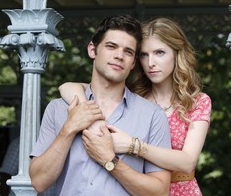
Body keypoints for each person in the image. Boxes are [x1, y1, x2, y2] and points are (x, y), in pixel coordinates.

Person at [59, 17, 212, 196]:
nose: (150, 63)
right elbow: (67, 87)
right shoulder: (133, 96)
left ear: (177, 54)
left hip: (182, 190)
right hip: (137, 188)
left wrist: (133, 146)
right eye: (144, 55)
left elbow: (187, 162)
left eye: (160, 53)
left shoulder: (196, 101)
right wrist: (88, 114)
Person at [29, 15, 172, 196]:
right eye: (111, 46)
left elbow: (159, 192)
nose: (119, 56)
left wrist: (109, 160)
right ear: (92, 50)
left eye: (128, 52)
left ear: (133, 62)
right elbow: (39, 182)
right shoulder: (57, 108)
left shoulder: (153, 116)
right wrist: (69, 129)